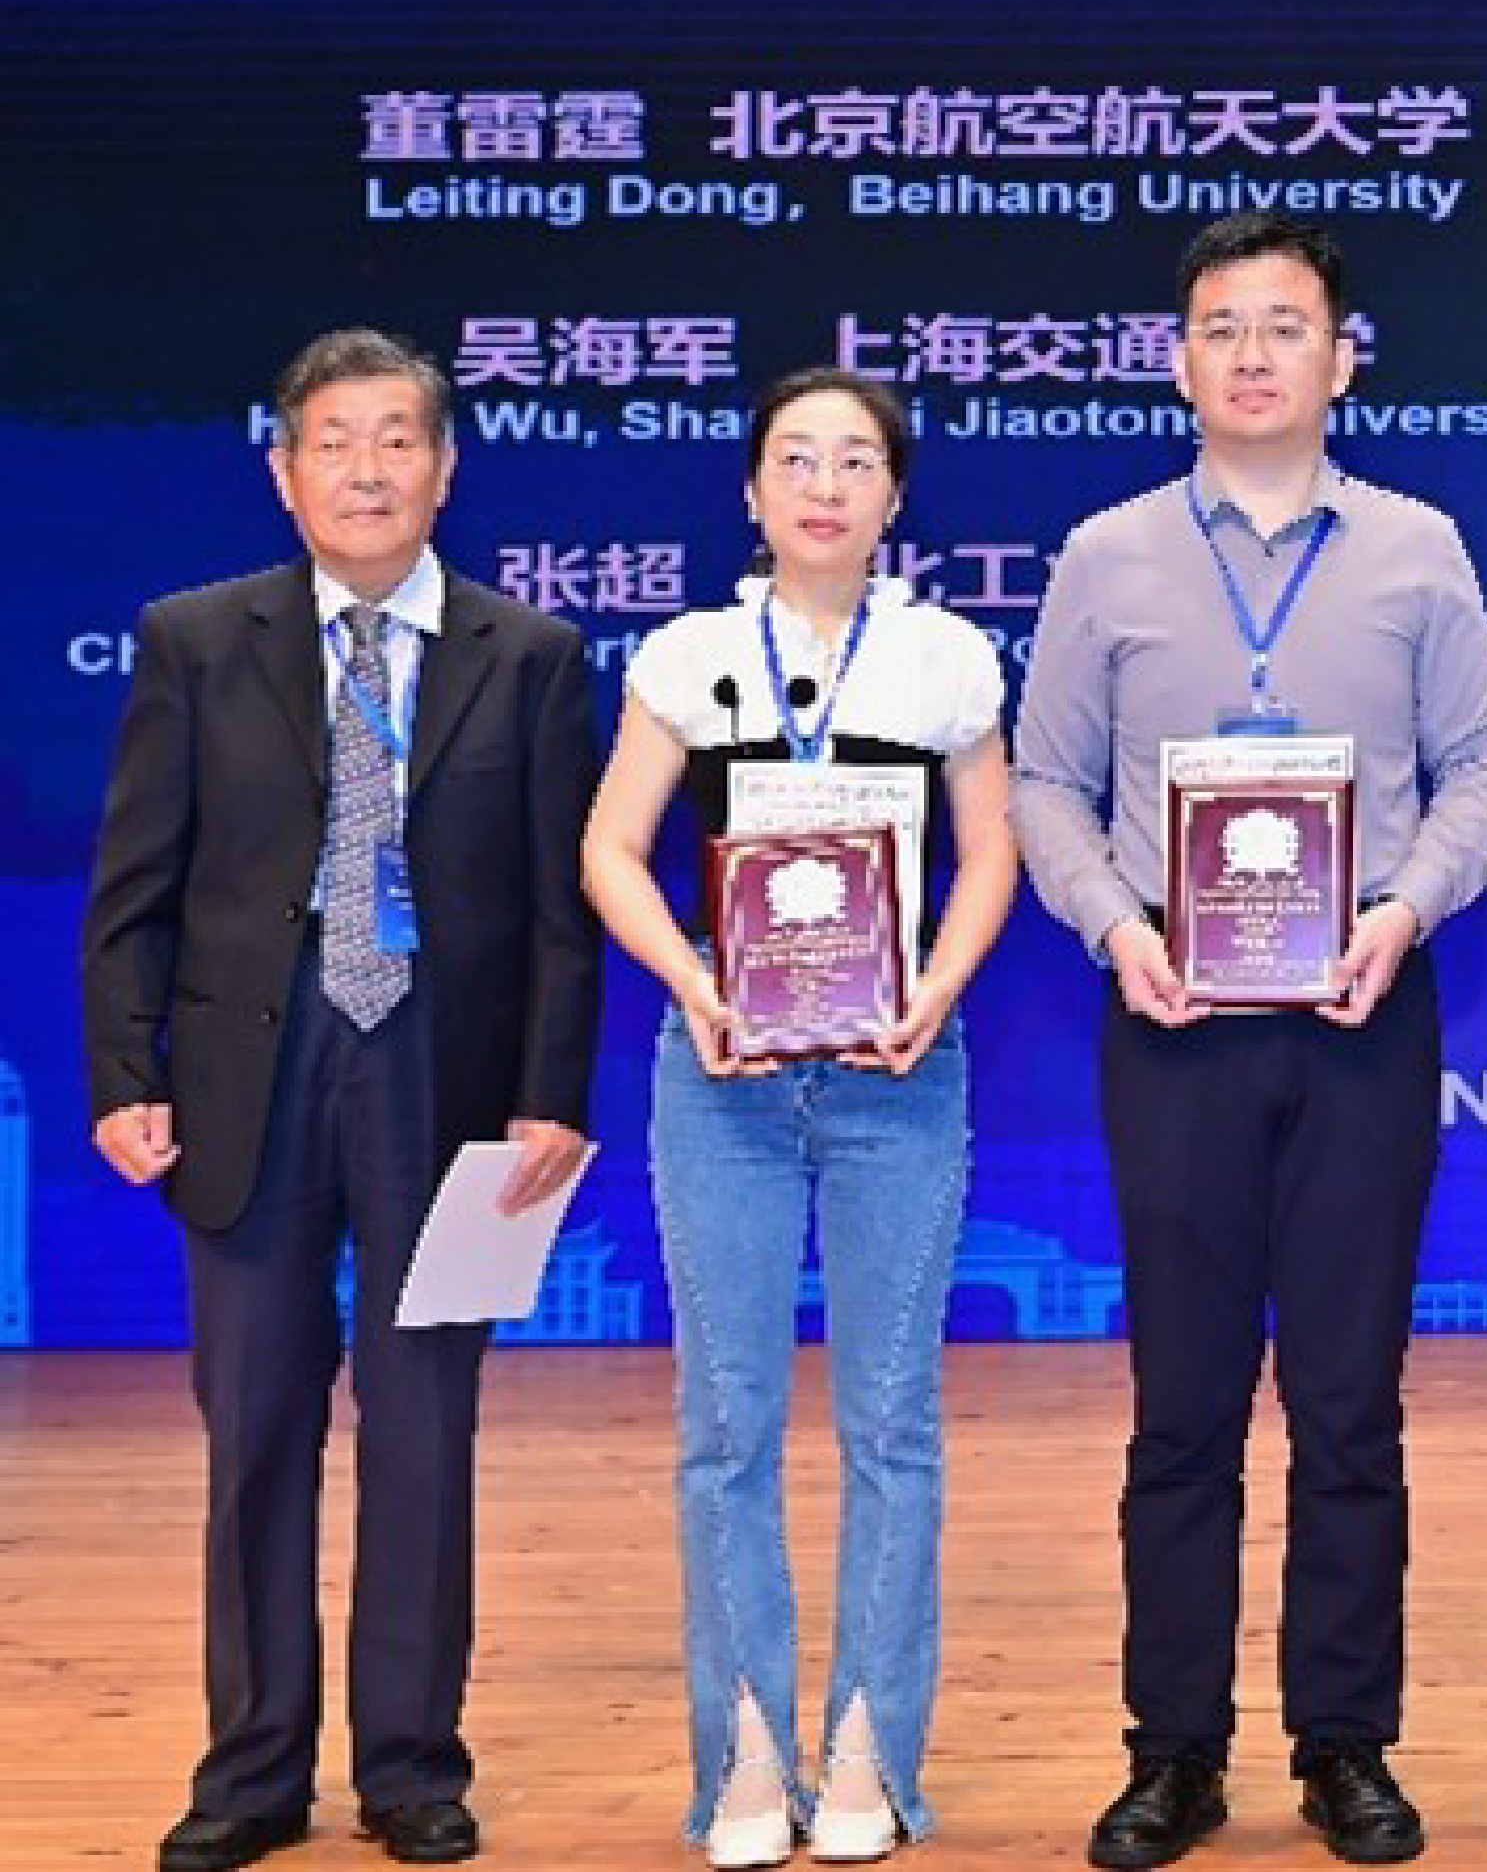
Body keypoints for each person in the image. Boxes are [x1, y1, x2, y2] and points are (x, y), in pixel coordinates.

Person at [1012, 212, 1487, 1870]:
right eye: (1221, 326)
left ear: (1339, 358)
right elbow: (1043, 782)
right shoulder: (1105, 554)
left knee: (1349, 1400)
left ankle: (1344, 1741)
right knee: (1181, 1405)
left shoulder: (1418, 547)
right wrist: (1117, 924)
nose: (1251, 353)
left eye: (1284, 325)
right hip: (1172, 1017)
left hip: (1364, 1006)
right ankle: (1172, 1750)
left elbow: (1484, 765)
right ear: (1179, 362)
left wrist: (1407, 909)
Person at [81, 329, 601, 1872]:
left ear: (444, 467)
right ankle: (250, 1773)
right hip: (250, 1063)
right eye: (334, 440)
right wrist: (124, 1071)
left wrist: (549, 1095)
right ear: (284, 471)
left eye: (395, 439)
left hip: (448, 1071)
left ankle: (411, 1764)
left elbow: (562, 911)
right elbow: (137, 883)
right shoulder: (196, 639)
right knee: (255, 1420)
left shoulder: (531, 654)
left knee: (425, 1425)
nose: (365, 470)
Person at [580, 370, 1018, 1867]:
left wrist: (937, 988)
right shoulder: (688, 655)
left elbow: (989, 852)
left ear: (895, 496)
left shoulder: (947, 658)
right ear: (751, 491)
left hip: (901, 1074)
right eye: (795, 459)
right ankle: (747, 1754)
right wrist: (694, 981)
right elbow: (610, 846)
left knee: (892, 1421)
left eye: (855, 462)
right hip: (724, 1078)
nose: (824, 486)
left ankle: (872, 1748)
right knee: (727, 1426)